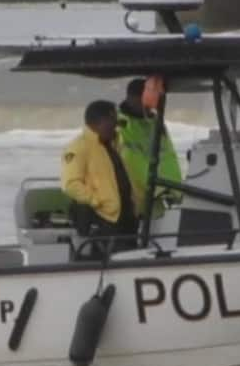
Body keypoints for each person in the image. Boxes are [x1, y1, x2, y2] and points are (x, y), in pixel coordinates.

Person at [61, 100, 140, 254]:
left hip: (126, 216)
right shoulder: (79, 147)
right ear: (100, 122)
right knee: (117, 262)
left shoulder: (112, 144)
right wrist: (97, 201)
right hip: (105, 219)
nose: (115, 127)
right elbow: (70, 184)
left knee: (131, 257)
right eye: (113, 121)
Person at [118, 77, 182, 217]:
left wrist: (176, 190)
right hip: (138, 200)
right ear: (132, 98)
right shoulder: (119, 125)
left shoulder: (155, 123)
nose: (150, 104)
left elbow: (169, 157)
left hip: (164, 195)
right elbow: (128, 162)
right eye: (147, 100)